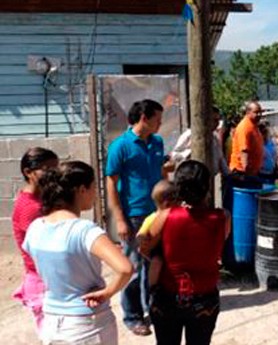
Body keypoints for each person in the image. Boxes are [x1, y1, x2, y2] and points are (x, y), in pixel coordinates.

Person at [23, 161, 133, 345]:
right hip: (87, 323)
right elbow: (125, 268)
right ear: (82, 190)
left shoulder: (35, 228)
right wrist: (107, 292)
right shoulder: (84, 230)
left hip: (50, 320)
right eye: (93, 188)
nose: (95, 194)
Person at [142, 160, 231, 345]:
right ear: (207, 187)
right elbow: (216, 244)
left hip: (168, 296)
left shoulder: (167, 216)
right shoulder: (223, 217)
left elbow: (144, 247)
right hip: (205, 299)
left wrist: (158, 258)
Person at [105, 99, 167, 336]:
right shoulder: (120, 146)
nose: (160, 124)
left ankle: (151, 307)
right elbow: (112, 183)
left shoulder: (157, 142)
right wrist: (119, 218)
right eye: (158, 119)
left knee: (155, 263)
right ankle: (132, 316)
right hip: (133, 216)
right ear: (144, 118)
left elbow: (161, 172)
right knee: (133, 266)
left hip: (157, 213)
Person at [11, 147, 59, 336]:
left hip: (46, 276)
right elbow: (44, 248)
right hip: (42, 279)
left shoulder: (39, 198)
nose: (53, 174)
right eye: (47, 169)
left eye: (55, 168)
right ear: (28, 173)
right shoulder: (31, 207)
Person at [136, 180, 178, 288]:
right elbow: (141, 233)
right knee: (156, 262)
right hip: (158, 247)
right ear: (167, 203)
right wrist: (142, 239)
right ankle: (153, 287)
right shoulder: (152, 218)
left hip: (170, 246)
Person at [170, 106, 229, 176]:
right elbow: (174, 155)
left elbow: (220, 158)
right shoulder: (189, 134)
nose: (218, 123)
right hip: (192, 178)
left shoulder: (214, 137)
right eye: (215, 120)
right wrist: (188, 153)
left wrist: (228, 174)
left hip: (209, 178)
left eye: (218, 120)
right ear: (206, 119)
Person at [229, 101, 264, 177]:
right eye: (256, 112)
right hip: (242, 172)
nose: (259, 115)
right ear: (248, 112)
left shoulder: (254, 126)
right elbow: (244, 151)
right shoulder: (245, 127)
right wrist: (247, 172)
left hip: (252, 172)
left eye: (260, 112)